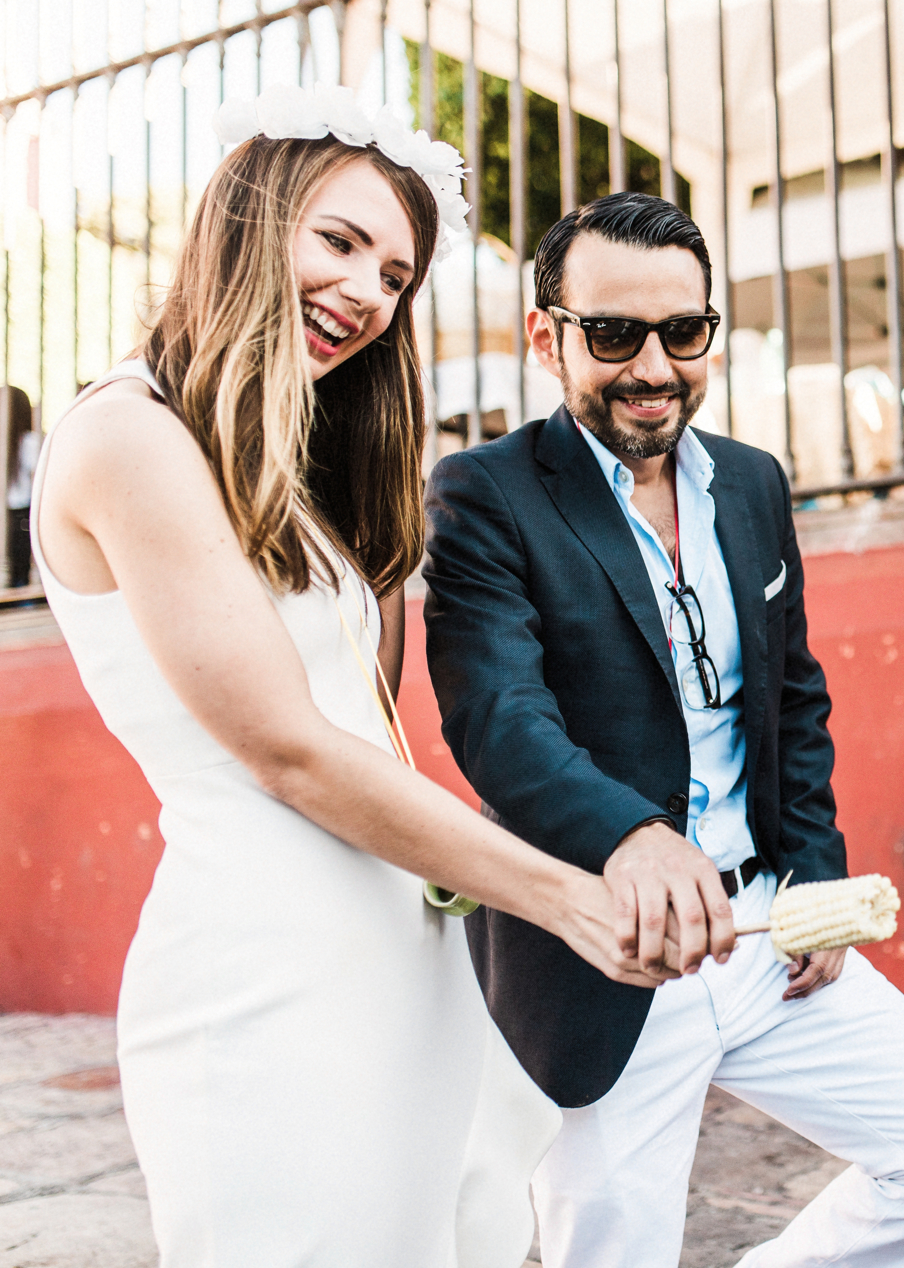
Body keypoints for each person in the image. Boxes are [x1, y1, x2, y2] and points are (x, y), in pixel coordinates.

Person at [27, 87, 656, 1265]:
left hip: (398, 950)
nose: (371, 291)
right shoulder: (126, 435)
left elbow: (369, 724)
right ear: (246, 219)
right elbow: (291, 749)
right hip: (267, 970)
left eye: (398, 275)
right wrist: (565, 895)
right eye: (342, 240)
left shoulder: (287, 472)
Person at [421, 191, 904, 1268]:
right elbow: (497, 715)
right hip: (610, 946)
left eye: (681, 332)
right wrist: (631, 834)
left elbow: (792, 695)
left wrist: (817, 878)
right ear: (547, 338)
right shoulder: (483, 493)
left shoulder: (750, 481)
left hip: (769, 931)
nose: (653, 366)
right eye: (613, 334)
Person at [5, 385, 37, 588]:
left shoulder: (25, 442)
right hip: (21, 516)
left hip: (11, 515)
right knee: (20, 573)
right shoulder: (30, 442)